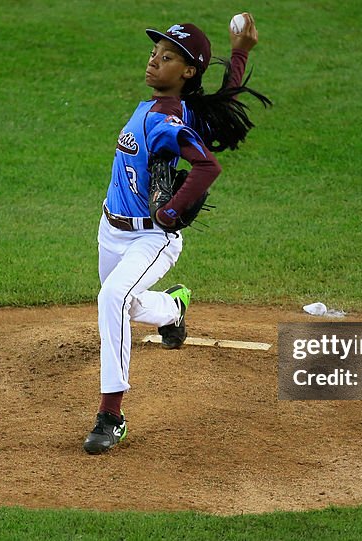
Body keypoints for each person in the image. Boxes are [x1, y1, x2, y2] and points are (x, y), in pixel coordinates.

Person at [84, 14, 271, 454]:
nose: (154, 61)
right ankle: (172, 308)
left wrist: (170, 212)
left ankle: (111, 415)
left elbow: (208, 166)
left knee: (110, 300)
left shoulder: (167, 119)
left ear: (187, 72)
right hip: (110, 231)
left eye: (167, 58)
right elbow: (226, 96)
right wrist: (240, 49)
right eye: (154, 52)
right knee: (123, 305)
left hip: (152, 239)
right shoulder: (176, 107)